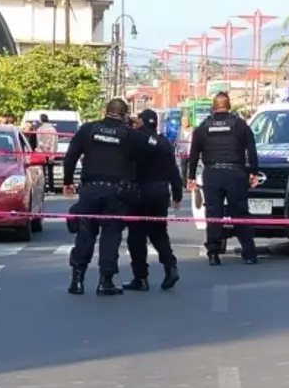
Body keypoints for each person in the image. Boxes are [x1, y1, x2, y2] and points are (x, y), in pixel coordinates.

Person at [62, 99, 164, 296]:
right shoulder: (130, 134)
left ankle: (77, 280)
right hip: (116, 192)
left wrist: (68, 181)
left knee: (85, 233)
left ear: (104, 111)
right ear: (125, 115)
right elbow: (157, 145)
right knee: (111, 235)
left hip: (90, 189)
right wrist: (141, 128)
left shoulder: (88, 130)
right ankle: (105, 281)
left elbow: (71, 156)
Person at [187, 92, 259, 266]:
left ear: (213, 107)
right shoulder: (239, 125)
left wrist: (191, 177)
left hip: (212, 173)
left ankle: (213, 253)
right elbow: (251, 149)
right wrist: (253, 172)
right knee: (240, 213)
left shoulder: (203, 127)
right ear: (229, 106)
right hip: (235, 173)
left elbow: (194, 154)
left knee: (214, 214)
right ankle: (249, 253)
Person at [122, 109, 183, 292]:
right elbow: (174, 171)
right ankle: (170, 266)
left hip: (139, 191)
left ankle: (140, 278)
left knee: (136, 236)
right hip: (160, 192)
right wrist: (177, 195)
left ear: (141, 122)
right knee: (159, 233)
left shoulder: (136, 140)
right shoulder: (164, 143)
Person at [35, 114, 59, 192]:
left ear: (41, 120)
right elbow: (54, 142)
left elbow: (39, 142)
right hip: (50, 153)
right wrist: (52, 153)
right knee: (50, 171)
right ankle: (51, 188)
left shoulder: (39, 129)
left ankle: (43, 188)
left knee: (42, 172)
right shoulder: (53, 130)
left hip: (41, 153)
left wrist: (41, 150)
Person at [177, 115, 194, 182]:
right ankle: (184, 184)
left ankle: (190, 183)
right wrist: (178, 150)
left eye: (186, 121)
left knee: (191, 170)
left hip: (191, 152)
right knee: (183, 170)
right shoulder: (179, 130)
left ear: (188, 121)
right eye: (183, 121)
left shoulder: (193, 130)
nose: (184, 122)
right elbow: (177, 140)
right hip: (183, 153)